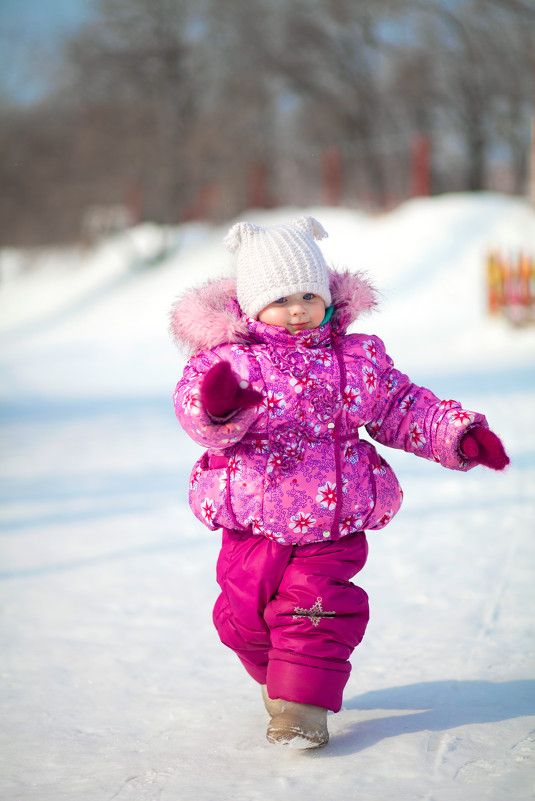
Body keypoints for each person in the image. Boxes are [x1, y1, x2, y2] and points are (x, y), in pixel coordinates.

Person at [169, 216, 509, 749]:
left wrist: (456, 435)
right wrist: (218, 404)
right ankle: (278, 676)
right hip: (251, 527)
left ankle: (302, 708)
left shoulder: (356, 361)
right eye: (281, 298)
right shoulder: (232, 361)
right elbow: (194, 412)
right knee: (242, 620)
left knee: (314, 610)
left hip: (333, 521)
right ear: (252, 304)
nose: (298, 308)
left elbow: (402, 405)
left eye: (309, 293)